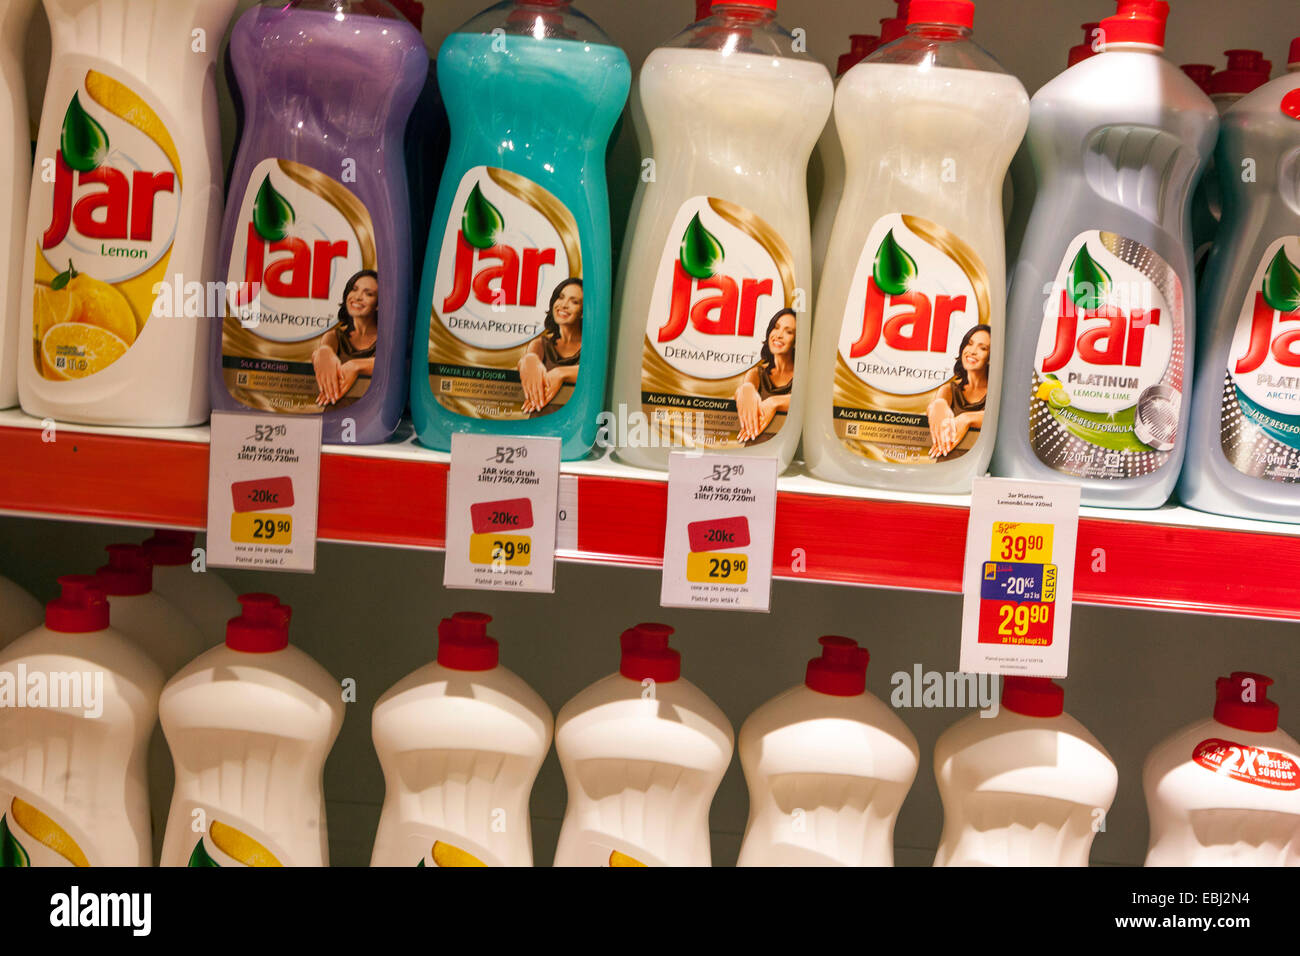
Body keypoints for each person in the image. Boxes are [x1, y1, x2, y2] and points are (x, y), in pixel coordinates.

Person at [313, 270, 378, 406]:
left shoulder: (388, 339)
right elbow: (325, 348)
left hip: (372, 415)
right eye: (354, 289)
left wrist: (356, 366)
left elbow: (395, 364)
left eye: (368, 294)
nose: (358, 297)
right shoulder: (334, 336)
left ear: (378, 304)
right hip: (333, 413)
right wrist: (322, 353)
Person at [519, 277, 582, 414]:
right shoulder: (540, 344)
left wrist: (561, 373)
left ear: (583, 312)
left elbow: (595, 371)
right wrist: (528, 360)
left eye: (574, 302)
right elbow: (530, 357)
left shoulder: (591, 348)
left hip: (575, 425)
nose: (564, 305)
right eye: (561, 297)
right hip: (537, 424)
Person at [928, 323, 990, 459]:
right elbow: (938, 403)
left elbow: (998, 418)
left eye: (983, 348)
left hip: (978, 470)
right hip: (943, 466)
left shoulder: (995, 394)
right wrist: (938, 406)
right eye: (969, 344)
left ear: (991, 358)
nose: (972, 351)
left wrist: (967, 418)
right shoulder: (950, 389)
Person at [735, 308, 795, 443]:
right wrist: (746, 389)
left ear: (797, 341)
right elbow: (746, 388)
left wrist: (774, 402)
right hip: (751, 449)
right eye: (776, 328)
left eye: (788, 331)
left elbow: (806, 401)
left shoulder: (803, 378)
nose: (779, 335)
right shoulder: (757, 373)